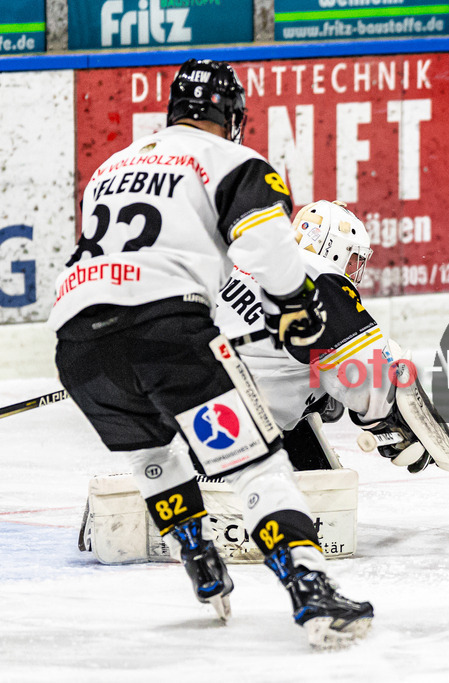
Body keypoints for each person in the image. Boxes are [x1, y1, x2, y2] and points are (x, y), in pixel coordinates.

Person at [49, 59, 372, 649]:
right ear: (233, 117)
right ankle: (310, 588)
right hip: (167, 333)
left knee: (154, 453)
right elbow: (268, 242)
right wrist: (298, 308)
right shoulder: (233, 161)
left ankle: (195, 553)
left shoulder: (112, 165)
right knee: (254, 464)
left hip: (76, 344)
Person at [215, 199, 449, 475]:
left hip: (178, 411)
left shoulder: (248, 256)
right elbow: (377, 382)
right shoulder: (323, 279)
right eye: (353, 257)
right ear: (329, 248)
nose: (354, 270)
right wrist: (399, 427)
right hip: (230, 438)